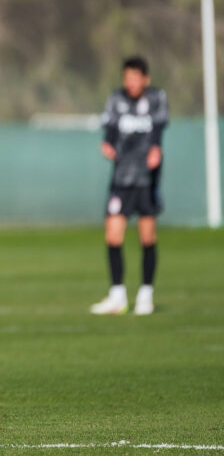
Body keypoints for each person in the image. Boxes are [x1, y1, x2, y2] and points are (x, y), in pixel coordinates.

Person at [91, 56, 168, 316]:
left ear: (145, 78)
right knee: (113, 235)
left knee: (147, 237)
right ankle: (117, 296)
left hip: (146, 178)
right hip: (121, 179)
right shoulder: (116, 99)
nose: (131, 83)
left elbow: (158, 128)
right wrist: (107, 144)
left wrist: (156, 149)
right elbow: (110, 129)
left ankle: (146, 294)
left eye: (135, 78)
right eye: (127, 78)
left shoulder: (157, 98)